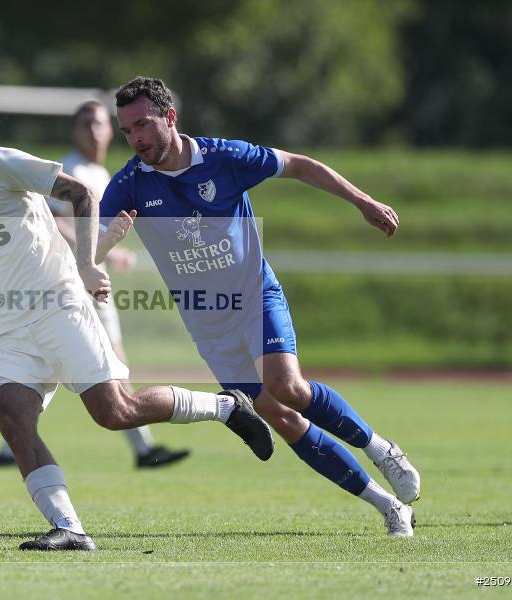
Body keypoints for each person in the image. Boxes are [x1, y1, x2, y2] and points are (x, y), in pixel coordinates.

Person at [0, 93, 274, 551]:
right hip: (6, 328)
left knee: (115, 413)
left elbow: (79, 193)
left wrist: (89, 264)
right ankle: (70, 528)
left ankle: (226, 408)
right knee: (12, 418)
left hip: (57, 303)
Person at [97, 76, 421, 536]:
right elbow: (91, 247)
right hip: (207, 324)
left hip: (254, 296)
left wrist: (362, 201)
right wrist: (104, 247)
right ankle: (388, 506)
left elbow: (298, 165)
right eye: (127, 130)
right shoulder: (129, 183)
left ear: (170, 118)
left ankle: (381, 448)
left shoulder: (224, 158)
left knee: (286, 387)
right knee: (278, 414)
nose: (136, 139)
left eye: (143, 125)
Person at [0, 100, 191, 469]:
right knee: (110, 360)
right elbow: (49, 220)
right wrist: (98, 253)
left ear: (111, 130)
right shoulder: (72, 168)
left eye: (99, 123)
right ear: (75, 130)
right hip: (74, 278)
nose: (93, 130)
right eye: (85, 123)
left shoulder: (101, 172)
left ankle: (10, 447)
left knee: (52, 363)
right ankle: (144, 448)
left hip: (84, 278)